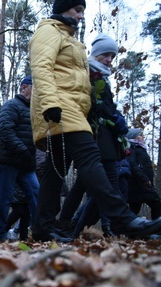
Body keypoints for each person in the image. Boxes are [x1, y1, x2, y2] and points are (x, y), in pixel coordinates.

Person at [29, 0, 161, 241]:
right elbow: (41, 66)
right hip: (61, 106)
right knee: (90, 159)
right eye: (77, 10)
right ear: (64, 8)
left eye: (83, 12)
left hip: (73, 110)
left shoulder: (70, 39)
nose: (80, 16)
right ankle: (123, 218)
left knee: (54, 173)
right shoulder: (49, 30)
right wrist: (50, 103)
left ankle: (42, 228)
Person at [56, 33, 130, 238]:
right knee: (108, 185)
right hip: (97, 138)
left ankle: (70, 229)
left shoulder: (101, 75)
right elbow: (92, 106)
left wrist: (115, 118)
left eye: (112, 56)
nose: (109, 60)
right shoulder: (89, 73)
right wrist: (114, 118)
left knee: (90, 188)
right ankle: (121, 226)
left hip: (105, 139)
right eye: (106, 54)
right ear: (96, 53)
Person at [0, 75, 39, 242]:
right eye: (35, 86)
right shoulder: (11, 106)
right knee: (4, 198)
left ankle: (41, 232)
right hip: (8, 160)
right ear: (24, 87)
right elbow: (5, 131)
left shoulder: (35, 111)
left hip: (26, 164)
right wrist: (24, 152)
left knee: (36, 193)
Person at [126, 128, 161, 219]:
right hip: (140, 184)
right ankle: (156, 229)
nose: (143, 137)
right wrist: (144, 178)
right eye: (140, 135)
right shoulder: (132, 148)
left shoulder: (140, 148)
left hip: (141, 184)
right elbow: (132, 165)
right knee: (156, 203)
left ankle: (125, 230)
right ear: (134, 137)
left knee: (134, 208)